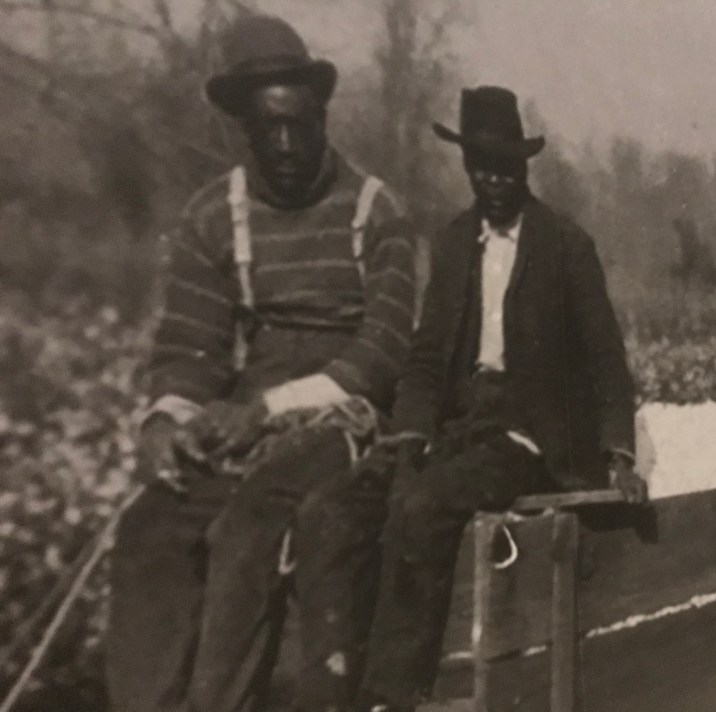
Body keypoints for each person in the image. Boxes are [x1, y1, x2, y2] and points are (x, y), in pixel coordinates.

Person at [105, 15, 416, 712]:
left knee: (250, 526)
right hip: (251, 412)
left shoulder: (375, 210)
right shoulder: (214, 215)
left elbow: (383, 351)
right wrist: (168, 418)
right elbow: (190, 346)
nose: (284, 146)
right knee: (151, 529)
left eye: (298, 126)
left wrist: (268, 411)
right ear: (240, 128)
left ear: (321, 117)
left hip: (345, 416)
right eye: (266, 129)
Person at [304, 85, 647, 712]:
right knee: (342, 503)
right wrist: (411, 434)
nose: (492, 179)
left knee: (425, 505)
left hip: (529, 432)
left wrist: (619, 454)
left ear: (523, 166)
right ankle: (330, 682)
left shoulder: (564, 245)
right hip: (461, 422)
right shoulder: (457, 241)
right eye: (480, 166)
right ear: (466, 166)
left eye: (504, 166)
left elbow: (606, 360)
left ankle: (393, 694)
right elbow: (428, 355)